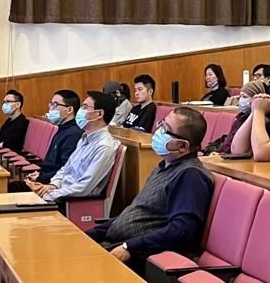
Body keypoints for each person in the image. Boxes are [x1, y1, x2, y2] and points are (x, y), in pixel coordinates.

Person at [86, 106, 214, 276]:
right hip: (119, 244)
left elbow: (181, 231)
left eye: (166, 129)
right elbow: (136, 214)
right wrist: (89, 235)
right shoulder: (164, 166)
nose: (158, 131)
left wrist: (129, 247)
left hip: (138, 255)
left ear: (183, 146)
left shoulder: (190, 176)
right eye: (161, 123)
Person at [24, 91, 120, 202]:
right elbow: (66, 168)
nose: (80, 111)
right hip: (60, 192)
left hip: (71, 202)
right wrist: (51, 186)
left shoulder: (104, 146)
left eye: (85, 107)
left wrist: (46, 195)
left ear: (99, 114)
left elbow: (83, 187)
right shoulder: (84, 139)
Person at [8, 90, 83, 192]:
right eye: (50, 104)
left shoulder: (73, 134)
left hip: (53, 184)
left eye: (55, 104)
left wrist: (40, 178)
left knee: (13, 188)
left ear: (69, 109)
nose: (51, 108)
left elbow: (66, 169)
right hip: (46, 176)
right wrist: (38, 173)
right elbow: (49, 163)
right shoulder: (62, 129)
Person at [206, 81, 267, 155]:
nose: (241, 100)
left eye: (244, 97)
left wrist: (222, 155)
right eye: (240, 96)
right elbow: (227, 144)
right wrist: (217, 152)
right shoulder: (239, 119)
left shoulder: (259, 123)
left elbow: (243, 150)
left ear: (255, 100)